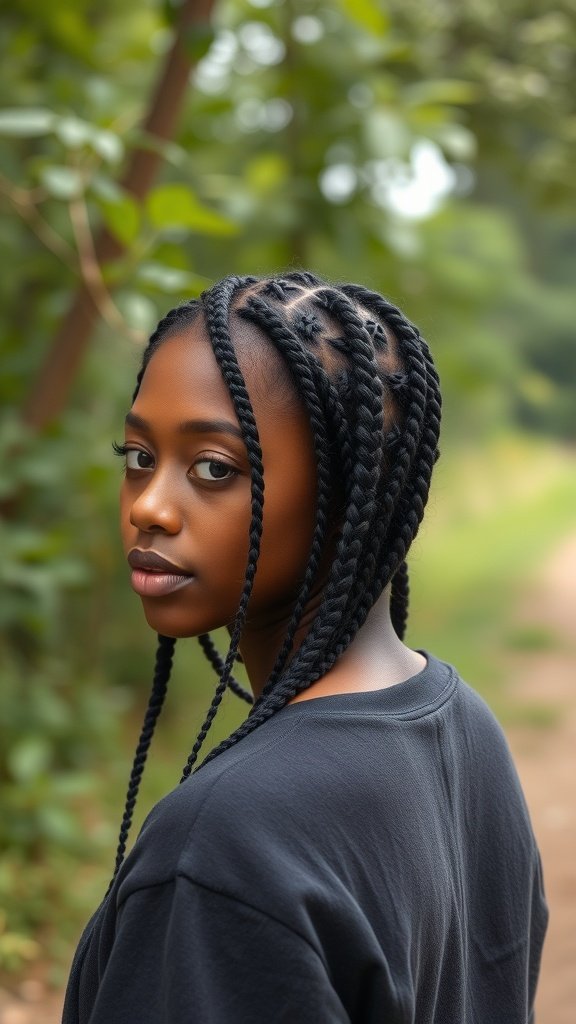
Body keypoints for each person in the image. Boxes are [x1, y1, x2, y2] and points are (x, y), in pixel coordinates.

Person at [62, 272, 547, 1023]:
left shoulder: (221, 850)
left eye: (214, 468)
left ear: (350, 489)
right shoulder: (465, 728)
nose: (149, 506)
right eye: (137, 456)